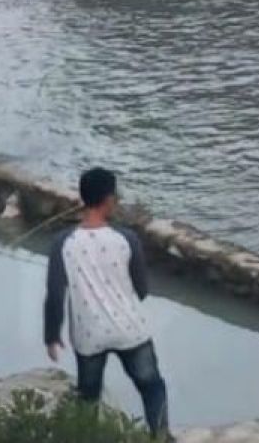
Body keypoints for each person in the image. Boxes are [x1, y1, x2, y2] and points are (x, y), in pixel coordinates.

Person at [45, 168, 172, 440]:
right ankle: (160, 437)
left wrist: (51, 336)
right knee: (152, 386)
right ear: (108, 199)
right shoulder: (127, 239)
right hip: (130, 329)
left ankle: (88, 436)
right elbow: (142, 289)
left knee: (89, 397)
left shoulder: (62, 243)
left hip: (88, 334)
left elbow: (55, 293)